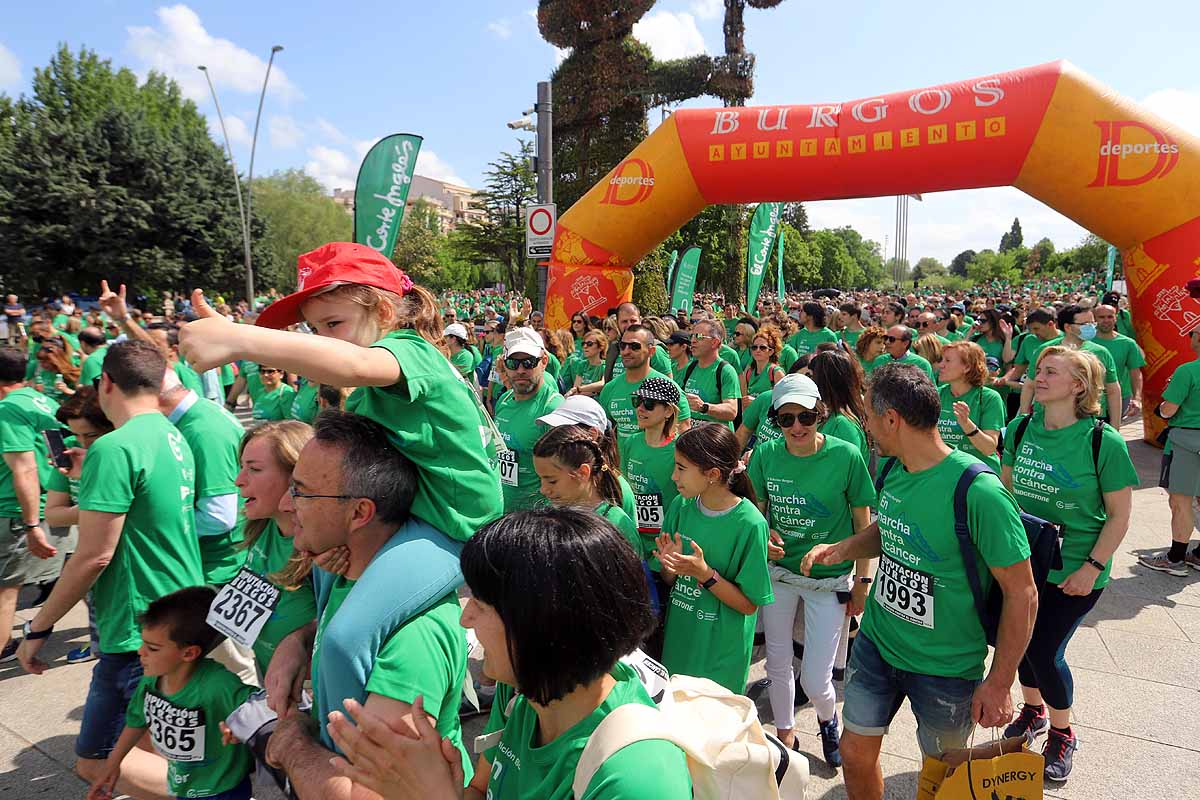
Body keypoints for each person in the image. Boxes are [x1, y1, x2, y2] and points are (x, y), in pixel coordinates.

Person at [324, 507, 692, 798]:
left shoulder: (635, 777)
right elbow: (481, 789)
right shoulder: (525, 692)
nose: (465, 618)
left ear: (544, 625)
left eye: (482, 604)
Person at [800, 363, 1037, 800]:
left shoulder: (978, 491)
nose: (865, 425)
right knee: (853, 753)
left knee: (945, 778)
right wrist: (846, 549)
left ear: (893, 420)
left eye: (869, 415)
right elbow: (889, 526)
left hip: (945, 669)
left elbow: (1022, 592)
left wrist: (1001, 682)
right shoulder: (894, 469)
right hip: (877, 646)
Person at [178, 241, 502, 544]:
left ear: (384, 313)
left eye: (333, 324)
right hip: (419, 527)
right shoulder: (364, 393)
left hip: (457, 532)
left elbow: (354, 363)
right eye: (315, 330)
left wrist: (239, 340)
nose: (324, 340)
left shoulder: (412, 350)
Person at [18, 340, 205, 800]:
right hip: (176, 607)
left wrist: (39, 628)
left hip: (137, 622)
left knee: (96, 759)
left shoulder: (115, 447)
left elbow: (94, 555)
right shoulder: (171, 435)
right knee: (153, 746)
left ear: (105, 382)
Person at [261, 411, 471, 798]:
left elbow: (366, 795)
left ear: (360, 512)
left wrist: (291, 740)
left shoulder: (413, 637)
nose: (287, 505)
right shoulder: (340, 571)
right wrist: (300, 641)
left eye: (301, 492)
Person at [1001, 347, 1137, 780]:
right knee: (1018, 642)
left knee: (1043, 649)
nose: (1037, 378)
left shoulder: (1103, 441)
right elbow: (1005, 499)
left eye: (1050, 372)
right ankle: (1033, 710)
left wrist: (1093, 567)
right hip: (1022, 566)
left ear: (1079, 386)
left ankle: (1063, 732)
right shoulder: (1020, 429)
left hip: (1077, 571)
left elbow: (1119, 515)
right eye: (1037, 370)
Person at [748, 374, 875, 765]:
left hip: (828, 581)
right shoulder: (766, 455)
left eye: (806, 417)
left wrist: (863, 583)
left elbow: (862, 525)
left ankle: (827, 719)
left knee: (817, 679)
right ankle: (785, 732)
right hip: (780, 574)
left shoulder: (845, 455)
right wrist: (763, 536)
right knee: (777, 662)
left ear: (820, 413)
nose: (797, 427)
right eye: (786, 420)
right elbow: (755, 512)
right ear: (776, 422)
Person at [87, 586, 255, 800]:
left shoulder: (218, 684)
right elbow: (137, 719)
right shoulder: (151, 678)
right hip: (182, 785)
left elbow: (262, 705)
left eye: (153, 648)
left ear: (189, 653)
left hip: (222, 790)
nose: (140, 652)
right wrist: (112, 765)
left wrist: (241, 724)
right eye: (143, 643)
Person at [654, 423, 773, 694]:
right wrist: (669, 565)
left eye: (681, 468)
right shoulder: (680, 506)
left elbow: (748, 605)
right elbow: (668, 579)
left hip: (720, 656)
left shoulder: (750, 524)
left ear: (713, 474)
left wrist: (705, 574)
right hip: (680, 645)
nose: (673, 476)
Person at [228, 421, 324, 674]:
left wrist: (301, 639)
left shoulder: (326, 548)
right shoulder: (261, 526)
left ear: (296, 476)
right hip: (265, 674)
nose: (239, 481)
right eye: (241, 468)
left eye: (255, 469)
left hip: (307, 688)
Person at [0, 346, 65, 662]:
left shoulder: (8, 409)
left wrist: (29, 524)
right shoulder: (44, 401)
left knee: (5, 588)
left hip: (18, 510)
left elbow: (24, 467)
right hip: (51, 503)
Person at [45, 386, 114, 664]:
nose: (83, 443)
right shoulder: (71, 458)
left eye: (92, 435)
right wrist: (93, 506)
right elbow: (53, 514)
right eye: (77, 435)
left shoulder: (120, 457)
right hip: (91, 557)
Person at [1140, 327, 1200, 575]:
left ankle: (1174, 558)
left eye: (1194, 333)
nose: (1191, 337)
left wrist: (1165, 404)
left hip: (1187, 440)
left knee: (1181, 501)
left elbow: (1168, 410)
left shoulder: (1187, 371)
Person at [532, 423, 641, 559]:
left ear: (583, 472)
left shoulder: (617, 523)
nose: (543, 490)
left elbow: (634, 575)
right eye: (540, 479)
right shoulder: (550, 514)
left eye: (552, 481)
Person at [495, 327, 563, 512]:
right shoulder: (504, 400)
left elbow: (565, 478)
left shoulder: (553, 409)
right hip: (503, 513)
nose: (520, 370)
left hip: (537, 519)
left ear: (544, 361)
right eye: (513, 363)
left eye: (528, 362)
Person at [1022, 305, 1121, 428]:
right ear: (1068, 327)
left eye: (1092, 323)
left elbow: (1113, 391)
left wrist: (1115, 426)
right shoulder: (1047, 350)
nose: (1090, 327)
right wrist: (1023, 416)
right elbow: (1030, 385)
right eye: (1084, 324)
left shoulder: (1102, 353)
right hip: (1048, 418)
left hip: (1089, 419)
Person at [598, 324, 691, 438]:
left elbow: (683, 431)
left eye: (634, 346)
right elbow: (604, 431)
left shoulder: (668, 388)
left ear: (651, 351)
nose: (626, 351)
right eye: (622, 346)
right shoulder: (610, 388)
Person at [936, 341, 1005, 472]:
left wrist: (967, 424)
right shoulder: (936, 394)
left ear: (967, 367)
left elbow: (989, 448)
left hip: (978, 474)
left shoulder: (989, 398)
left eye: (948, 360)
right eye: (942, 360)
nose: (941, 365)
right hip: (946, 472)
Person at [809, 349, 870, 465]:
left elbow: (845, 472)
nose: (809, 381)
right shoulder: (830, 415)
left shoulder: (843, 425)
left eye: (812, 376)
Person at [681, 320, 741, 430]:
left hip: (715, 441)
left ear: (714, 342)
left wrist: (704, 407)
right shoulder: (689, 368)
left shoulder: (726, 371)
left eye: (699, 336)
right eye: (692, 336)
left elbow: (732, 411)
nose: (693, 341)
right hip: (692, 439)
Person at [1093, 304, 1145, 418]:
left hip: (1120, 397)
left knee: (1113, 432)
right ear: (1094, 319)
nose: (1106, 320)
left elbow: (1135, 372)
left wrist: (1137, 398)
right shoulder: (1085, 342)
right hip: (1091, 398)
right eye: (1101, 317)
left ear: (1115, 318)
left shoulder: (1128, 343)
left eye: (1110, 317)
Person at [740, 325, 786, 403]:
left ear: (771, 352)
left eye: (762, 348)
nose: (758, 350)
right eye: (754, 347)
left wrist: (756, 401)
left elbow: (783, 402)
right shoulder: (748, 373)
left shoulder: (776, 373)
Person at [871, 325, 935, 380]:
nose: (887, 342)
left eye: (892, 339)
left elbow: (930, 392)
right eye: (885, 338)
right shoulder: (879, 361)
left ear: (905, 343)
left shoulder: (921, 364)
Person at [562, 328, 607, 397]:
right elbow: (576, 389)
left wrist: (580, 389)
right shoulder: (582, 364)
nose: (585, 346)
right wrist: (592, 392)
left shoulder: (605, 365)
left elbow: (602, 384)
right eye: (583, 344)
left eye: (589, 344)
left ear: (601, 347)